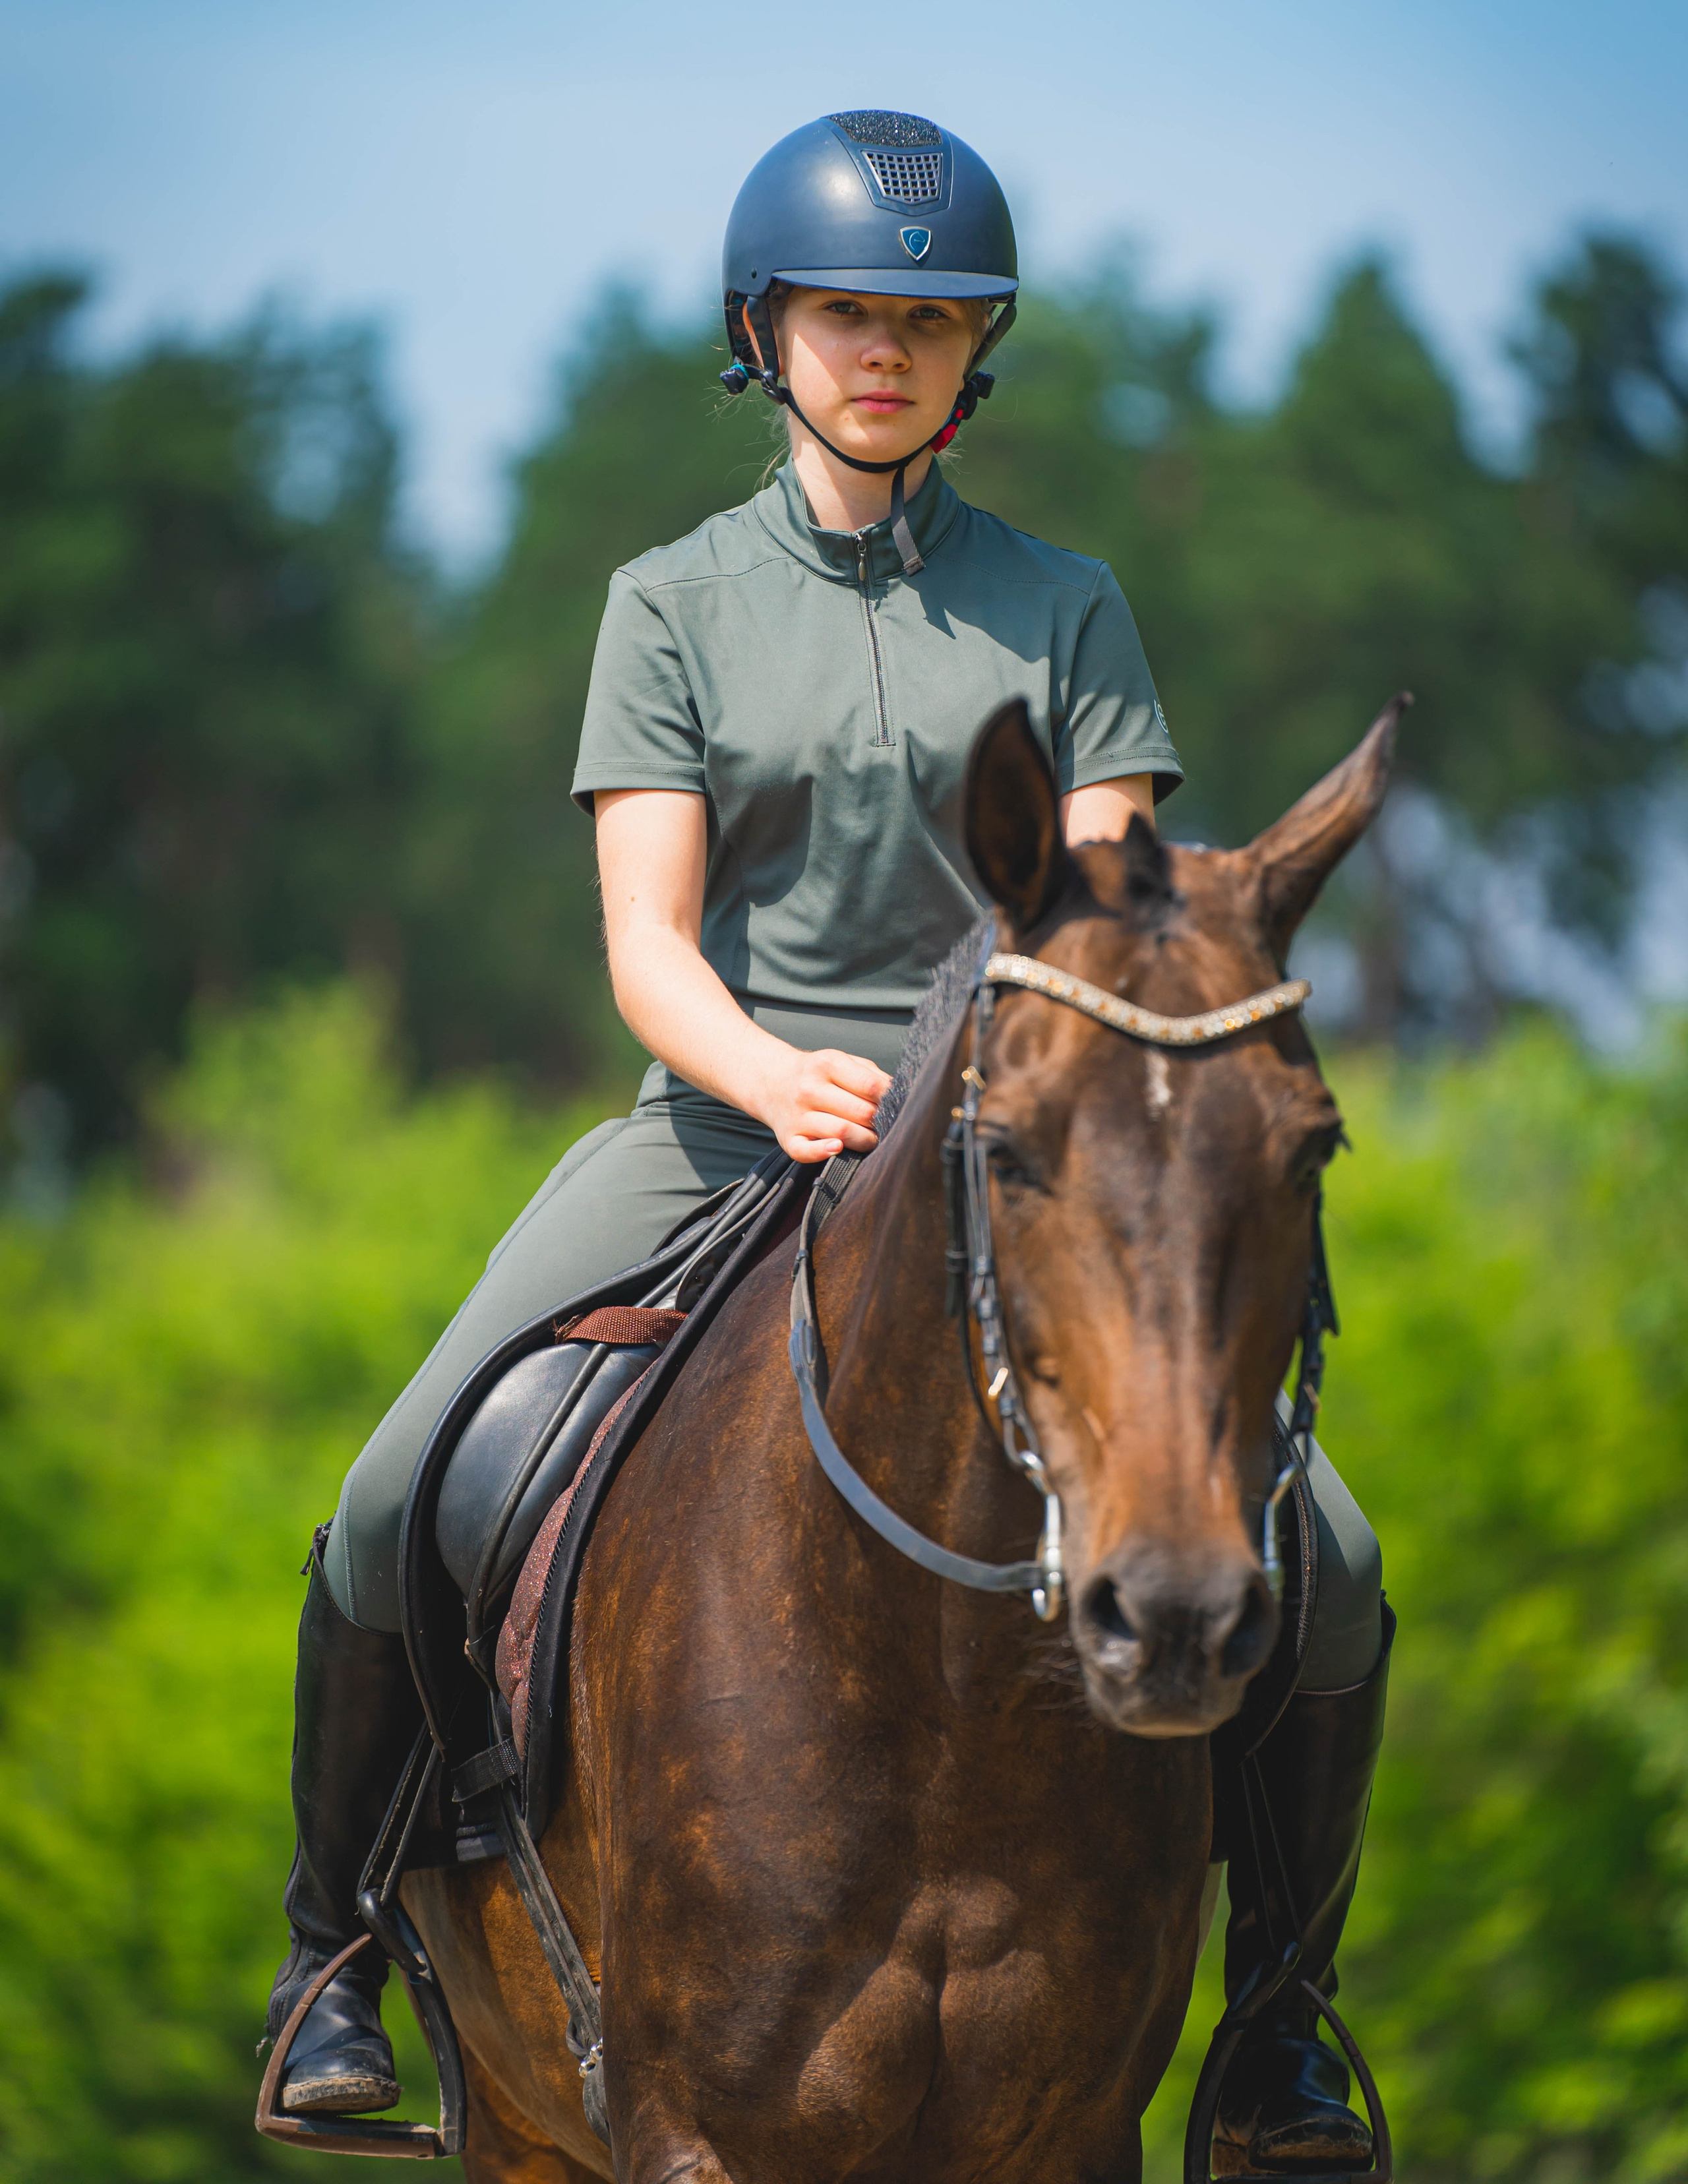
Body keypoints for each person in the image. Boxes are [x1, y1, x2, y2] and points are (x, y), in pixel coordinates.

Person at [265, 110, 1390, 2170]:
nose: (888, 351)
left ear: (978, 358)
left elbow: (1099, 919)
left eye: (931, 323)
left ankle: (1278, 2024)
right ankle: (332, 1947)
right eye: (848, 314)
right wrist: (774, 1073)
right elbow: (647, 939)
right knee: (398, 1481)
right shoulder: (670, 603)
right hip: (722, 1130)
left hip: (1012, 1147)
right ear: (763, 334)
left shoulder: (1067, 606)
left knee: (1331, 1557)